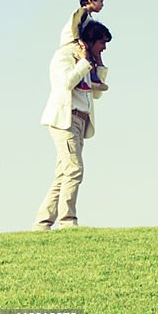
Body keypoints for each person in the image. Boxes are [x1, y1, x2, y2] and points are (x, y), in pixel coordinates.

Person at [34, 20, 112, 230]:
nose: (104, 47)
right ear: (90, 40)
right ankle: (68, 220)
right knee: (75, 170)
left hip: (80, 121)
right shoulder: (64, 56)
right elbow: (67, 82)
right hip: (64, 119)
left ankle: (42, 223)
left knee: (64, 174)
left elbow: (97, 92)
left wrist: (98, 63)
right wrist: (85, 62)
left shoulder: (87, 61)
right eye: (102, 43)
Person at [60, 0, 109, 92]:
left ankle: (92, 79)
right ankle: (85, 81)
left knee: (89, 59)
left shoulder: (89, 17)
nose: (102, 5)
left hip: (77, 41)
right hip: (73, 41)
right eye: (101, 1)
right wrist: (79, 40)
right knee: (84, 58)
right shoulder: (82, 12)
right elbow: (75, 26)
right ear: (91, 0)